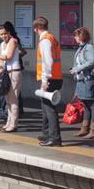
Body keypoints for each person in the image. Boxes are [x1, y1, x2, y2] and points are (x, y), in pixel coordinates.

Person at [0, 22, 22, 132]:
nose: (4, 36)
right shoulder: (2, 44)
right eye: (1, 34)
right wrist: (0, 69)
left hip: (14, 72)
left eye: (5, 33)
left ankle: (14, 124)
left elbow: (10, 57)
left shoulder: (13, 41)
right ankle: (8, 122)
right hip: (6, 73)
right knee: (7, 99)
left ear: (9, 32)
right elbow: (2, 61)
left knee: (13, 99)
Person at [34, 17, 63, 147]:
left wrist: (45, 80)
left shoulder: (45, 41)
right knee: (45, 107)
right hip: (56, 77)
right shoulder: (52, 38)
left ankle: (54, 137)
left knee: (50, 109)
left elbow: (47, 61)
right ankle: (46, 133)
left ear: (36, 29)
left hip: (50, 78)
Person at [70, 27, 94, 139]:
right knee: (85, 104)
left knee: (92, 103)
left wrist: (77, 69)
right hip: (81, 79)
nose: (75, 38)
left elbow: (91, 62)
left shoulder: (89, 48)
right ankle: (84, 128)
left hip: (88, 79)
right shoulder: (81, 48)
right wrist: (75, 69)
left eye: (76, 36)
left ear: (81, 36)